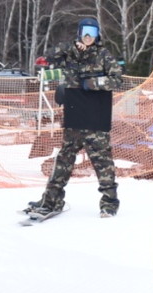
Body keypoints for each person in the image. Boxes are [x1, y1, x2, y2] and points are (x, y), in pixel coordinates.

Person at [25, 17, 125, 218]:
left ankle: (109, 204)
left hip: (96, 118)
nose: (88, 36)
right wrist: (71, 47)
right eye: (85, 31)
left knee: (103, 163)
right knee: (63, 161)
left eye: (93, 32)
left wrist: (92, 84)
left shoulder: (104, 55)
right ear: (79, 33)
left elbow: (117, 80)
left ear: (98, 35)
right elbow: (48, 56)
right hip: (74, 117)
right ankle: (51, 201)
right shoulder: (70, 53)